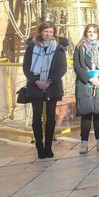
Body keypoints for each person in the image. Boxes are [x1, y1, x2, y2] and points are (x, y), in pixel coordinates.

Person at [22, 21, 68, 159]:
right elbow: (26, 67)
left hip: (51, 86)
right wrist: (36, 81)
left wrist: (48, 82)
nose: (48, 34)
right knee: (36, 118)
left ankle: (48, 146)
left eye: (50, 32)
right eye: (45, 31)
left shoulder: (59, 48)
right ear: (40, 32)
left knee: (50, 117)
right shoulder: (32, 47)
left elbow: (62, 68)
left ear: (54, 33)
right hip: (35, 85)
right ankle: (39, 146)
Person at [73, 24, 99, 154]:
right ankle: (84, 142)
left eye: (94, 32)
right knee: (86, 114)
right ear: (86, 33)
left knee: (98, 113)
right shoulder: (80, 47)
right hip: (86, 83)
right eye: (89, 32)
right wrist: (91, 79)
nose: (91, 34)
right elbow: (77, 66)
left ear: (98, 33)